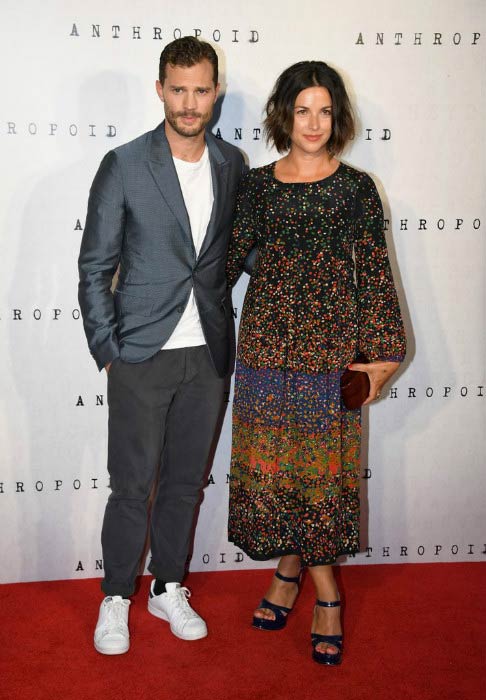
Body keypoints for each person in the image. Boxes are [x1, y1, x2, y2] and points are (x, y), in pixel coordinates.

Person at [226, 61, 406, 666]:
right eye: (302, 110)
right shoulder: (254, 185)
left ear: (338, 117)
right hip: (264, 349)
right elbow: (221, 268)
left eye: (325, 110)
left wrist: (380, 360)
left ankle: (322, 587)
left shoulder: (356, 187)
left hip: (329, 354)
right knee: (275, 472)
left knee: (321, 476)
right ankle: (287, 567)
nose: (314, 122)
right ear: (284, 113)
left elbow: (376, 277)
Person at [78, 36, 246, 655]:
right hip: (140, 354)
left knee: (185, 483)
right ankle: (116, 595)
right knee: (131, 486)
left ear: (215, 92)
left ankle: (168, 585)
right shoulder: (124, 163)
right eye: (178, 89)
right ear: (160, 90)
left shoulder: (231, 165)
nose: (190, 102)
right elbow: (95, 265)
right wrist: (108, 349)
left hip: (207, 354)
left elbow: (238, 250)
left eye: (201, 89)